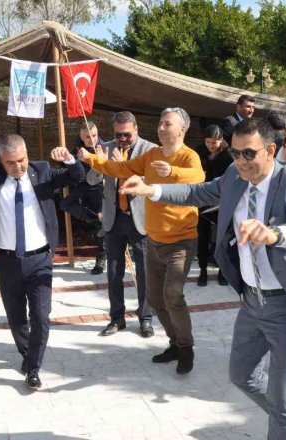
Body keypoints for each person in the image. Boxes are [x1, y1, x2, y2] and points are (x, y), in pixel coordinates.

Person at [119, 117, 286, 440]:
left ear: (271, 150)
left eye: (249, 154)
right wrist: (151, 189)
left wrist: (276, 233)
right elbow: (197, 192)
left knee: (282, 402)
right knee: (241, 375)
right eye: (235, 153)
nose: (241, 161)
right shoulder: (233, 177)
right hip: (252, 302)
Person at [79, 107, 205, 374]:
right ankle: (175, 343)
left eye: (167, 124)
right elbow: (122, 167)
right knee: (156, 299)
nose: (161, 127)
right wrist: (93, 160)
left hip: (181, 241)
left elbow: (198, 178)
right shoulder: (152, 154)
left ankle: (186, 348)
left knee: (172, 295)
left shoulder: (189, 156)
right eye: (159, 123)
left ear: (182, 129)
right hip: (154, 240)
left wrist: (171, 171)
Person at [0, 134, 81, 389]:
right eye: (10, 162)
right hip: (7, 262)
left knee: (40, 315)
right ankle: (27, 354)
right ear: (1, 161)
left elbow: (78, 177)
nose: (18, 166)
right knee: (16, 319)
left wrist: (70, 160)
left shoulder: (43, 171)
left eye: (22, 160)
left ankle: (34, 368)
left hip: (39, 259)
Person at [86, 111, 158, 337]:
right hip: (113, 218)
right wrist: (99, 164)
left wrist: (124, 166)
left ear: (136, 129)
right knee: (114, 272)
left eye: (127, 134)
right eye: (118, 135)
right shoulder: (105, 148)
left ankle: (145, 318)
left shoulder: (150, 150)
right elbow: (91, 181)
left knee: (145, 271)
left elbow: (155, 181)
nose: (122, 139)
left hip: (140, 218)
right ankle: (117, 319)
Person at [62, 122, 107, 275]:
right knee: (66, 203)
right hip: (84, 185)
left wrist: (103, 163)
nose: (92, 139)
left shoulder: (105, 147)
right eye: (88, 137)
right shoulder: (76, 149)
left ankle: (101, 257)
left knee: (100, 229)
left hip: (101, 187)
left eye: (94, 135)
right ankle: (93, 217)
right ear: (81, 136)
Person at [195, 124, 232, 287]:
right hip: (203, 198)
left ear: (221, 140)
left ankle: (222, 271)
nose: (211, 146)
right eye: (208, 142)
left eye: (214, 143)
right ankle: (203, 269)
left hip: (222, 200)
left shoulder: (229, 154)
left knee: (222, 237)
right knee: (203, 235)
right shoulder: (199, 151)